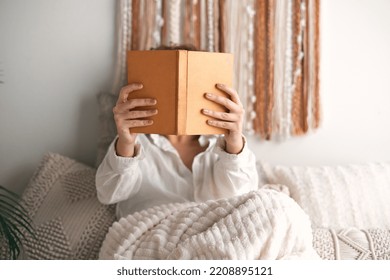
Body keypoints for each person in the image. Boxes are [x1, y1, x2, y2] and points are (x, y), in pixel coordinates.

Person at [95, 58, 259, 219]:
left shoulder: (224, 145)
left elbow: (244, 198)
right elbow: (108, 194)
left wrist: (234, 142)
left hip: (214, 238)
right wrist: (126, 144)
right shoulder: (134, 144)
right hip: (154, 237)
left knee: (277, 205)